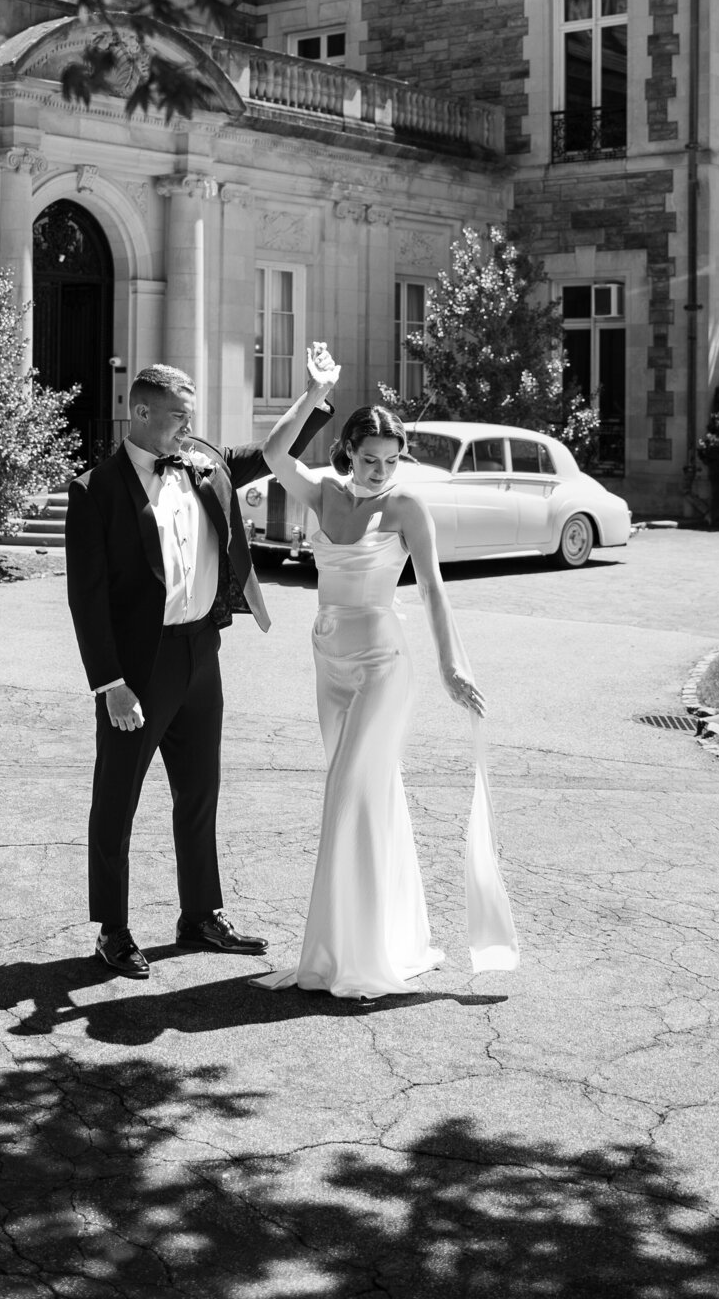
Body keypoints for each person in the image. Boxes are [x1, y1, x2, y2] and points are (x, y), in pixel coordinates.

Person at [65, 362, 332, 979]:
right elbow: (88, 597)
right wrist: (110, 683)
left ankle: (201, 914)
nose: (190, 428)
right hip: (136, 669)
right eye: (179, 417)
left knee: (200, 791)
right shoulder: (95, 489)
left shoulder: (205, 465)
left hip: (200, 655)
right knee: (117, 799)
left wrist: (314, 396)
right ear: (140, 414)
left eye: (191, 416)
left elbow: (271, 453)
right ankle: (113, 929)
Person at [255, 343, 499, 1001]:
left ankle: (356, 962)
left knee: (348, 795)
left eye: (391, 463)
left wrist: (451, 666)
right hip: (327, 659)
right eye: (369, 460)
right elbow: (275, 455)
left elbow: (433, 591)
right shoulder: (325, 493)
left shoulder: (407, 509)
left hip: (384, 663)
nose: (380, 473)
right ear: (348, 453)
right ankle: (380, 939)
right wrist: (313, 391)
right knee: (367, 800)